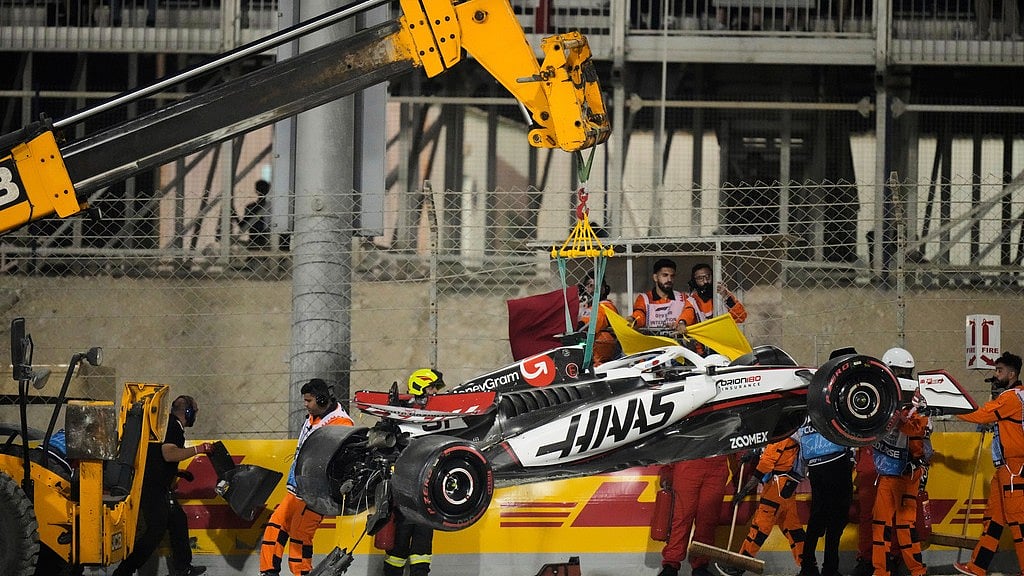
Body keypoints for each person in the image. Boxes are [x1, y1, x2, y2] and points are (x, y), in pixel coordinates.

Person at [260, 379, 354, 576]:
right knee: (275, 525)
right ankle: (268, 572)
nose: (305, 404)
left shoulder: (341, 424)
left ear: (321, 400)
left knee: (300, 536)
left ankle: (302, 573)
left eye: (309, 400)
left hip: (316, 490)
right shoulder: (315, 416)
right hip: (298, 486)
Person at [111, 395, 212, 576]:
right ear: (188, 413)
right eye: (195, 412)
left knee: (178, 520)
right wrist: (200, 449)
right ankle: (124, 571)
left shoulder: (168, 424)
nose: (195, 415)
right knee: (155, 531)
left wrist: (173, 474)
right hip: (152, 487)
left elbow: (159, 458)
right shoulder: (173, 426)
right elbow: (169, 454)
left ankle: (183, 567)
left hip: (157, 485)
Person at [954, 351, 1024, 576]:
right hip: (1005, 468)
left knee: (1018, 524)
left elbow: (980, 415)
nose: (996, 375)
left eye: (999, 370)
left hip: (1014, 468)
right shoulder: (1017, 396)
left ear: (1012, 374)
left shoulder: (1011, 397)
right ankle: (977, 567)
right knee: (994, 520)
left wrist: (949, 406)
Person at [871, 348, 931, 576]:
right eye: (899, 371)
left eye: (906, 371)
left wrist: (897, 417)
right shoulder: (881, 395)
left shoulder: (917, 398)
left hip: (907, 471)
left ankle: (914, 570)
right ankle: (883, 571)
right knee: (883, 525)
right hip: (890, 471)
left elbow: (918, 427)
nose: (904, 376)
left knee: (902, 526)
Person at [384, 368, 445, 576]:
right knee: (398, 546)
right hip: (403, 488)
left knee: (422, 544)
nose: (435, 392)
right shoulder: (398, 414)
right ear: (420, 386)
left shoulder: (438, 414)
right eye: (432, 387)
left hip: (426, 488)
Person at [716, 435, 805, 576]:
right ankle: (808, 566)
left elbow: (765, 464)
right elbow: (767, 448)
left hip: (777, 487)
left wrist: (744, 491)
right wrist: (753, 453)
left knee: (760, 526)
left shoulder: (780, 435)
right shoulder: (786, 431)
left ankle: (740, 565)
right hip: (786, 485)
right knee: (793, 529)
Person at [796, 416, 854, 576]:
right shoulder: (828, 400)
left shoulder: (803, 409)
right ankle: (830, 568)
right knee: (837, 519)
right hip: (836, 460)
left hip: (814, 464)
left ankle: (807, 566)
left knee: (817, 517)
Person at [656, 455, 732, 576]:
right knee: (681, 518)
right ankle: (671, 564)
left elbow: (736, 436)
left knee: (708, 521)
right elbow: (672, 438)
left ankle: (700, 565)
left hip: (717, 466)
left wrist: (743, 456)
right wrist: (667, 469)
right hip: (689, 461)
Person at [679, 263, 747, 355]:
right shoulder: (693, 300)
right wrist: (682, 323)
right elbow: (687, 314)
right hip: (704, 349)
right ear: (694, 281)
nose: (705, 281)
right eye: (700, 278)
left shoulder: (723, 295)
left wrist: (726, 296)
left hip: (726, 345)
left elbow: (741, 316)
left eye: (708, 277)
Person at [630, 258, 687, 332]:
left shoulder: (682, 298)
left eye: (672, 276)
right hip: (652, 342)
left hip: (676, 342)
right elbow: (639, 314)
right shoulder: (644, 298)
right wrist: (633, 320)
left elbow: (689, 315)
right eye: (665, 275)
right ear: (655, 277)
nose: (669, 279)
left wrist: (682, 323)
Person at [577, 273, 621, 365]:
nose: (593, 289)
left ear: (604, 289)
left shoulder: (607, 306)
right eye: (590, 285)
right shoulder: (582, 305)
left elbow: (596, 318)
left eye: (597, 286)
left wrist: (580, 324)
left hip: (602, 357)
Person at [240, 179, 271, 250]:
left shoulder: (250, 207)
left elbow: (242, 226)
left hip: (254, 242)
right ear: (268, 190)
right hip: (267, 241)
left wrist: (233, 212)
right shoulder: (273, 208)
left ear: (256, 190)